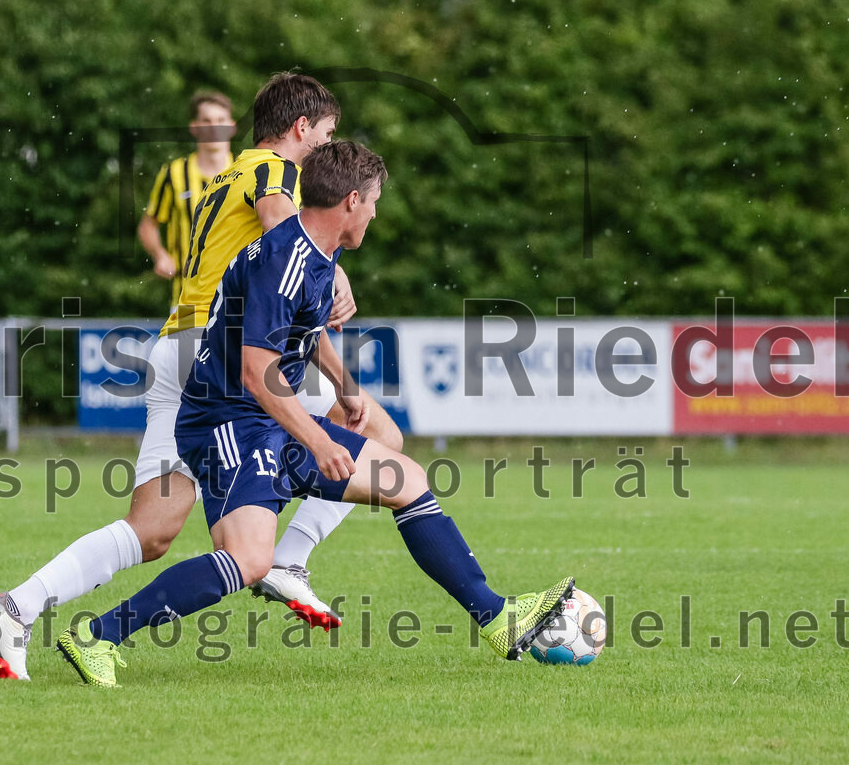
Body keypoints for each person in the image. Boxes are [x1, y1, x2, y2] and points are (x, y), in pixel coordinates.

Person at [55, 141, 574, 687]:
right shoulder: (283, 260)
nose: (376, 212)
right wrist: (321, 442)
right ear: (351, 201)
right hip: (227, 423)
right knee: (247, 562)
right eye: (374, 201)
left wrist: (347, 389)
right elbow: (258, 372)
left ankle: (497, 617)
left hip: (260, 417)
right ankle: (98, 635)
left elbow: (302, 332)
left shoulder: (318, 251)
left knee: (407, 479)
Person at [0, 73, 401, 681]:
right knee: (380, 436)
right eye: (326, 135)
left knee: (151, 530)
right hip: (220, 357)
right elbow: (288, 244)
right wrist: (333, 270)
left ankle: (15, 606)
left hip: (176, 346)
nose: (327, 152)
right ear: (300, 129)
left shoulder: (223, 177)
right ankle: (289, 560)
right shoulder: (274, 172)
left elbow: (276, 291)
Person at [138, 91, 235, 307]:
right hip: (187, 299)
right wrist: (160, 254)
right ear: (195, 127)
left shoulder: (247, 172)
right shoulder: (174, 174)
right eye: (207, 121)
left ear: (231, 127)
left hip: (237, 299)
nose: (214, 127)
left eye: (220, 120)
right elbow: (148, 225)